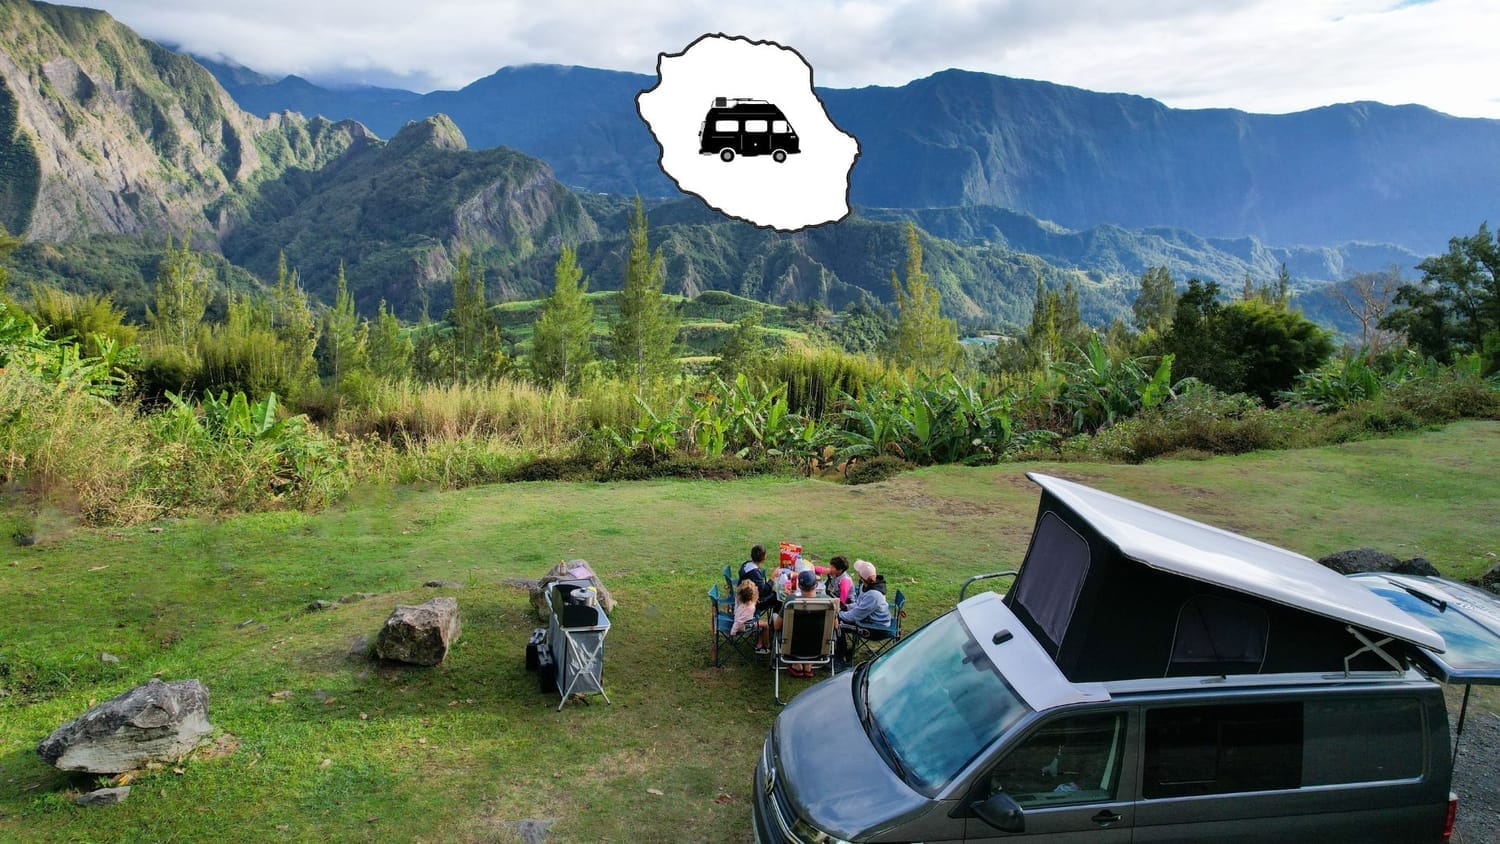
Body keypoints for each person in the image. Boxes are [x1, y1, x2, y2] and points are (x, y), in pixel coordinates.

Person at [837, 560, 892, 664]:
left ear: (861, 577)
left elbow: (855, 616)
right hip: (868, 619)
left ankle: (840, 658)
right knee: (839, 618)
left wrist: (838, 614)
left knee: (837, 623)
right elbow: (858, 604)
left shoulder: (874, 595)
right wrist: (845, 607)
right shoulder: (866, 586)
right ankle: (843, 652)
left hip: (877, 628)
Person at [784, 569, 832, 678]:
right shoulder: (827, 601)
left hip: (793, 648)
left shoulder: (791, 600)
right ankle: (808, 664)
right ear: (816, 585)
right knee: (813, 628)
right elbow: (835, 625)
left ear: (799, 586)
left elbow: (778, 625)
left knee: (777, 620)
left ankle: (797, 664)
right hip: (818, 648)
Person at [732, 579, 773, 653]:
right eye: (755, 587)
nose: (756, 587)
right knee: (766, 625)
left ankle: (759, 645)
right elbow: (740, 622)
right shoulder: (750, 607)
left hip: (741, 620)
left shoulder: (739, 598)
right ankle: (767, 646)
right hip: (744, 626)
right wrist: (734, 631)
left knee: (760, 623)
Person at [739, 544, 778, 613]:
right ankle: (775, 622)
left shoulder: (746, 564)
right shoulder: (754, 573)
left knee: (774, 594)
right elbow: (763, 592)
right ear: (764, 558)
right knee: (777, 597)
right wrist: (772, 578)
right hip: (750, 602)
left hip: (743, 596)